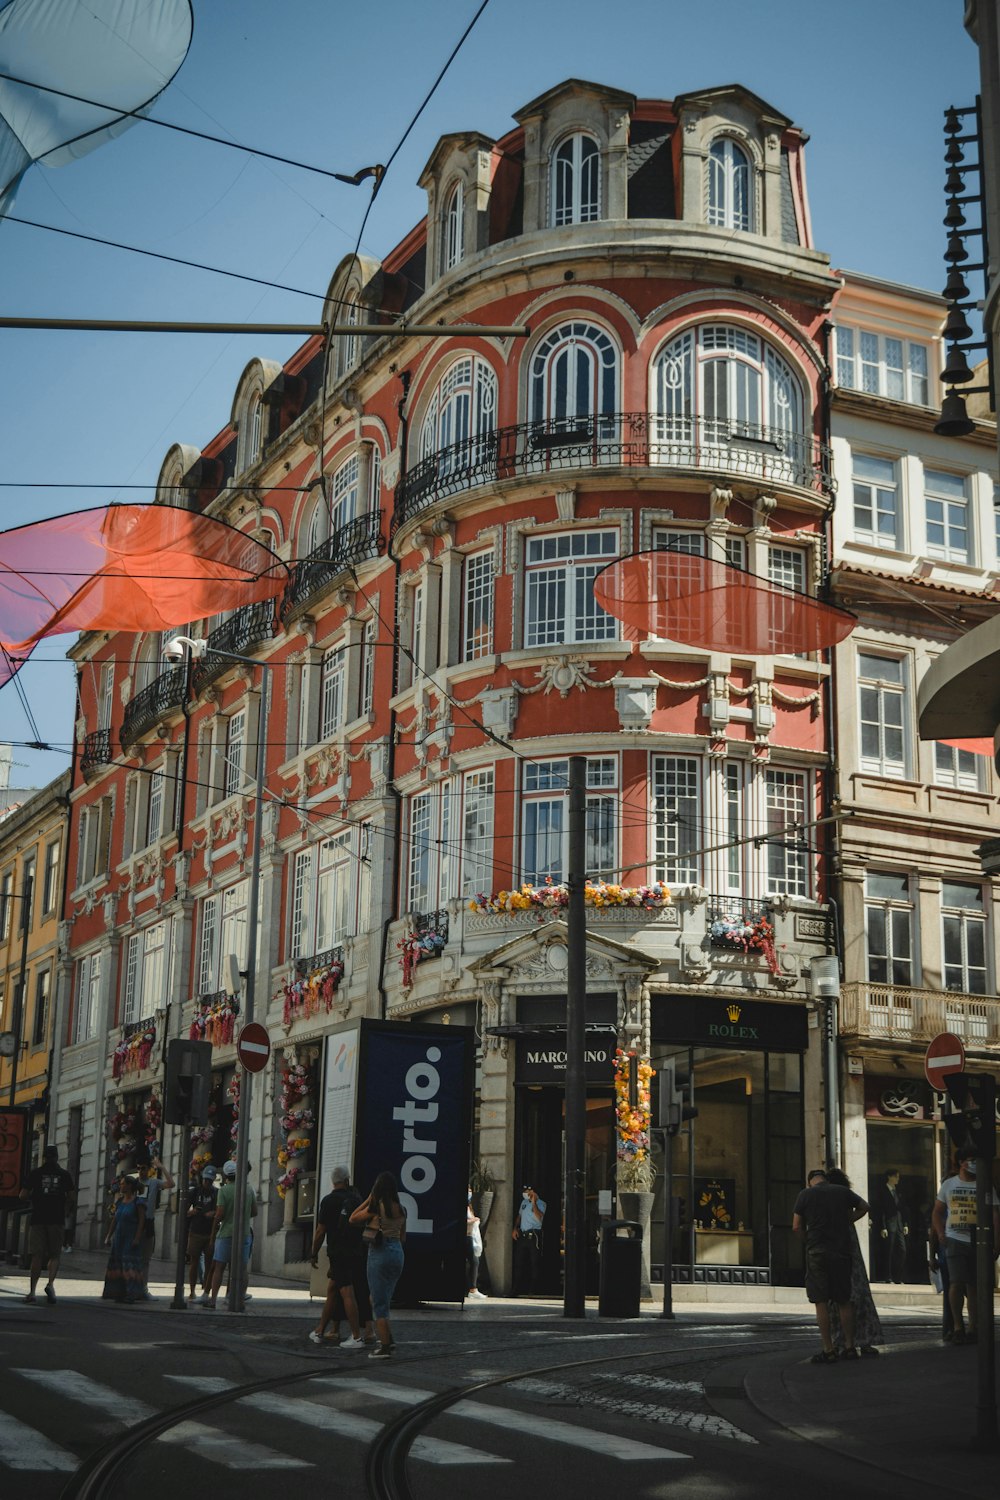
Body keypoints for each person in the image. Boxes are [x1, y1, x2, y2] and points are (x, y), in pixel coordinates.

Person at [792, 1167, 869, 1364]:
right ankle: (850, 1347)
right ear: (825, 1180)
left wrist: (807, 1242)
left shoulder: (805, 1195)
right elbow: (865, 1206)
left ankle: (829, 1349)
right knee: (843, 1300)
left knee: (821, 1301)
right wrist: (847, 1220)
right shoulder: (841, 1192)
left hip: (817, 1252)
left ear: (810, 1181)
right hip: (841, 1252)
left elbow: (796, 1226)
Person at [931, 1149, 1000, 1345]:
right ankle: (958, 1326)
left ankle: (972, 1327)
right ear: (961, 1162)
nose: (974, 1164)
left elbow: (995, 1214)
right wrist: (941, 1232)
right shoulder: (949, 1185)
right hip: (955, 1239)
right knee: (956, 1283)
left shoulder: (985, 1185)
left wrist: (996, 1241)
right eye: (971, 1160)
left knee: (974, 1286)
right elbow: (937, 1212)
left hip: (979, 1240)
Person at [309, 1166, 373, 1347]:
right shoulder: (354, 1199)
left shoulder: (328, 1201)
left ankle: (355, 1336)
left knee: (346, 1292)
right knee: (333, 1289)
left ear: (333, 1181)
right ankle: (320, 1330)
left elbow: (321, 1230)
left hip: (338, 1252)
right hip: (356, 1251)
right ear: (346, 1180)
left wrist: (313, 1253)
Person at [824, 1167, 884, 1358]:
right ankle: (865, 1341)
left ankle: (841, 1342)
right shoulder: (845, 1193)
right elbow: (865, 1207)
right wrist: (848, 1219)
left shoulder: (826, 1196)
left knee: (838, 1297)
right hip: (850, 1245)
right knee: (859, 1293)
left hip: (833, 1245)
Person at [350, 1171, 406, 1359]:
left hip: (379, 1252)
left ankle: (385, 1347)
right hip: (397, 1252)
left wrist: (368, 1199)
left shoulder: (375, 1206)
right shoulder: (402, 1208)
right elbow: (403, 1237)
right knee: (379, 1298)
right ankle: (388, 1338)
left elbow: (353, 1218)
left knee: (379, 1304)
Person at [20, 1144, 76, 1306]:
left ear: (44, 1157)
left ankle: (32, 1292)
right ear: (57, 1157)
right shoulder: (64, 1175)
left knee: (37, 1255)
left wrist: (35, 1198)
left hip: (38, 1218)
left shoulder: (35, 1173)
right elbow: (71, 1197)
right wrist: (64, 1210)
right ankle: (50, 1284)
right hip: (56, 1218)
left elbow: (23, 1195)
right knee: (55, 1255)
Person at [202, 1158, 257, 1310]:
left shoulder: (224, 1191)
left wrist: (213, 1234)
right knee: (242, 1268)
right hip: (244, 1233)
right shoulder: (248, 1189)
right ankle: (239, 1298)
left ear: (226, 1176)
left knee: (219, 1267)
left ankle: (213, 1300)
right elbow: (254, 1211)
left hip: (226, 1233)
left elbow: (219, 1214)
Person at [136, 1152, 175, 1299]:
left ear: (148, 1169)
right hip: (134, 1223)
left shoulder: (153, 1182)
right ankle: (133, 1286)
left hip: (148, 1222)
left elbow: (171, 1184)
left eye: (143, 1168)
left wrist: (161, 1167)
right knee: (133, 1257)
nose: (140, 1171)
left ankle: (143, 1289)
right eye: (138, 1168)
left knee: (145, 1258)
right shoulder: (133, 1182)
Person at [102, 1175, 146, 1303]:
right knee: (119, 1265)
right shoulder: (120, 1201)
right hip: (119, 1237)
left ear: (129, 1186)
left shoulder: (138, 1202)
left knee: (129, 1266)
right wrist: (109, 1236)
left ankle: (132, 1293)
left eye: (122, 1184)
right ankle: (118, 1292)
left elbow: (141, 1222)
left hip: (130, 1237)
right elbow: (115, 1220)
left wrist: (137, 1238)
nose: (120, 1186)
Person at [186, 1164, 218, 1300]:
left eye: (210, 1180)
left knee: (210, 1264)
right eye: (205, 1180)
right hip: (196, 1231)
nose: (207, 1183)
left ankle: (206, 1291)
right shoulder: (195, 1192)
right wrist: (192, 1212)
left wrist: (214, 1213)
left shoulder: (217, 1193)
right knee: (194, 1262)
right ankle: (192, 1291)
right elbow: (183, 1211)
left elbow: (221, 1210)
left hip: (210, 1232)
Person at [871, 1167, 908, 1283]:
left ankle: (899, 1276)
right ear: (889, 1177)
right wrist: (883, 1227)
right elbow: (880, 1210)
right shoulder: (882, 1191)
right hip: (889, 1224)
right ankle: (888, 1276)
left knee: (902, 1250)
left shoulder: (898, 1191)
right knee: (889, 1251)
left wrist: (905, 1224)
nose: (898, 1179)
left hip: (899, 1224)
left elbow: (903, 1208)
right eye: (896, 1176)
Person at [511, 1185, 545, 1295]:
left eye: (528, 1191)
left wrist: (534, 1202)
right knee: (519, 1262)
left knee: (534, 1262)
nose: (526, 1193)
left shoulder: (541, 1204)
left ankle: (533, 1290)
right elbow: (519, 1216)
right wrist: (515, 1228)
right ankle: (516, 1289)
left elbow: (539, 1217)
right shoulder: (523, 1203)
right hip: (523, 1234)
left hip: (534, 1235)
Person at [466, 1190, 486, 1300]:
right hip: (465, 1237)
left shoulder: (469, 1207)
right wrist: (473, 1220)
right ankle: (472, 1289)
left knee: (474, 1261)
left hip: (470, 1237)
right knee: (474, 1261)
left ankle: (472, 1289)